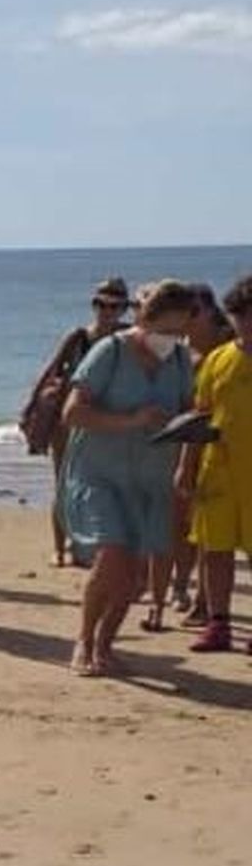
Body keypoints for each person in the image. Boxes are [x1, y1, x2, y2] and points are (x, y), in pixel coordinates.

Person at [61, 279, 197, 676]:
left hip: (150, 478)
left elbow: (187, 409)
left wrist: (190, 433)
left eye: (178, 330)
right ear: (144, 319)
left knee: (136, 574)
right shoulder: (111, 351)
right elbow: (73, 412)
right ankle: (84, 641)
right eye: (164, 329)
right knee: (113, 554)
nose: (170, 338)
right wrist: (132, 420)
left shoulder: (179, 359)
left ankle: (106, 644)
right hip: (99, 472)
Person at [22, 277, 130, 568]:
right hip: (68, 418)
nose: (106, 311)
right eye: (100, 304)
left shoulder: (127, 338)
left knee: (101, 485)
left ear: (124, 308)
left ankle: (89, 545)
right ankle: (59, 548)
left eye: (114, 306)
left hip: (106, 421)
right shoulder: (79, 337)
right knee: (64, 483)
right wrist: (30, 407)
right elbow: (50, 370)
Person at [177, 273, 252, 653]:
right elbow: (199, 417)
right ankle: (217, 623)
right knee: (215, 549)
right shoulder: (217, 360)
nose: (247, 323)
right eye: (241, 316)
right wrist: (185, 466)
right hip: (217, 468)